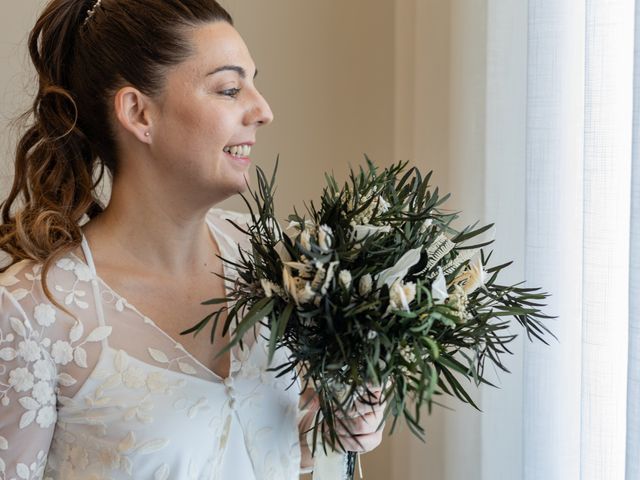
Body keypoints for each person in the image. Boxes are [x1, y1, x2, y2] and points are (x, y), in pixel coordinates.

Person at [0, 0, 384, 478]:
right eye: (228, 88)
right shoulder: (33, 312)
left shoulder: (282, 261)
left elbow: (273, 448)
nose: (262, 110)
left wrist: (340, 427)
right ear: (139, 113)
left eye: (253, 83)